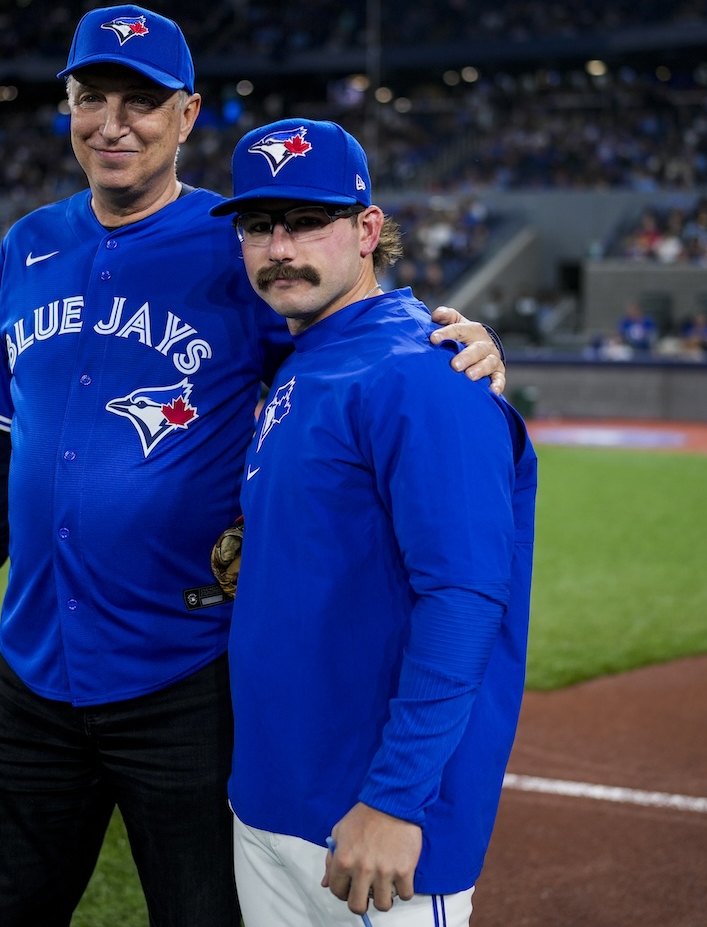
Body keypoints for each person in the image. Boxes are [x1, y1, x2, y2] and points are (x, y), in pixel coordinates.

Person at [0, 6, 507, 927]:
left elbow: (347, 333)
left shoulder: (232, 243)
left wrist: (449, 339)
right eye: (92, 98)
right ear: (69, 107)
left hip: (184, 676)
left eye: (141, 102)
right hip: (32, 670)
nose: (113, 122)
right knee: (4, 912)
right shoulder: (27, 246)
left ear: (187, 116)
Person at [209, 118, 537, 927]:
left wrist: (395, 801)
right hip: (271, 799)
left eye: (307, 221)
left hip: (376, 827)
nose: (280, 246)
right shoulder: (306, 359)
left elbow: (464, 598)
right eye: (259, 226)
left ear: (367, 230)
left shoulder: (424, 373)